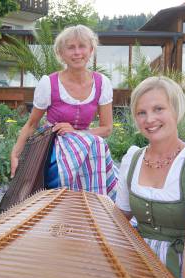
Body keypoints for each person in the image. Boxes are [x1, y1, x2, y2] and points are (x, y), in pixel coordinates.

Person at [11, 25, 117, 195]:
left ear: (91, 50)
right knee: (95, 146)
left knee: (96, 145)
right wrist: (15, 155)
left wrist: (76, 133)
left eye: (82, 46)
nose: (77, 52)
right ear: (61, 53)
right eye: (70, 47)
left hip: (87, 147)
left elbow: (107, 128)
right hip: (54, 147)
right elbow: (31, 124)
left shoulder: (102, 83)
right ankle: (85, 204)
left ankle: (91, 208)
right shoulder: (49, 83)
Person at [115, 76, 185, 278]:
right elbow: (118, 221)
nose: (149, 119)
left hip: (182, 267)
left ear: (176, 110)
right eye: (141, 112)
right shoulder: (132, 159)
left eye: (158, 109)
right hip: (136, 266)